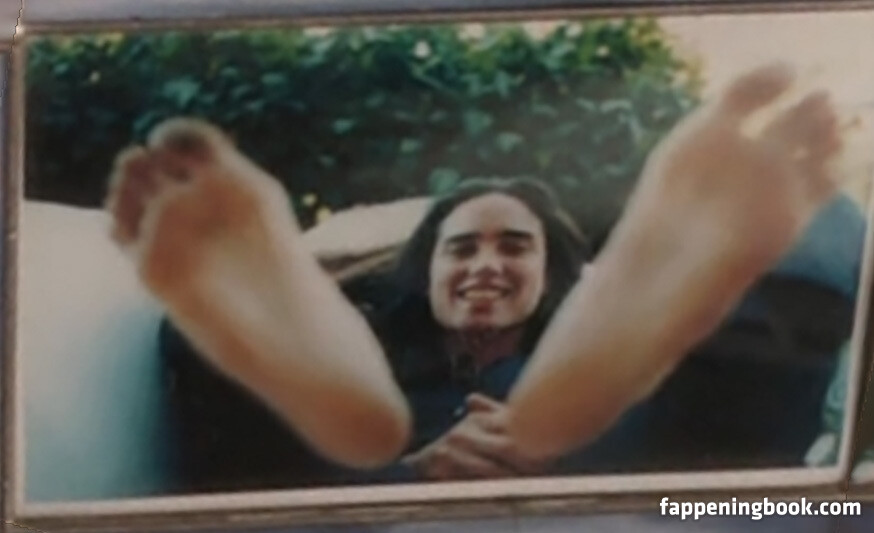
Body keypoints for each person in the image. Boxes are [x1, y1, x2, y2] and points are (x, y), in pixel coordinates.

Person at [105, 63, 847, 491]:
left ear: (554, 272)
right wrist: (411, 479)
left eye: (514, 247)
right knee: (223, 379)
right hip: (378, 470)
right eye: (460, 249)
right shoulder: (381, 357)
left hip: (626, 471)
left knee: (813, 251)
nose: (486, 264)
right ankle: (349, 423)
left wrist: (572, 470)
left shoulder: (629, 373)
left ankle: (626, 368)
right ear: (421, 272)